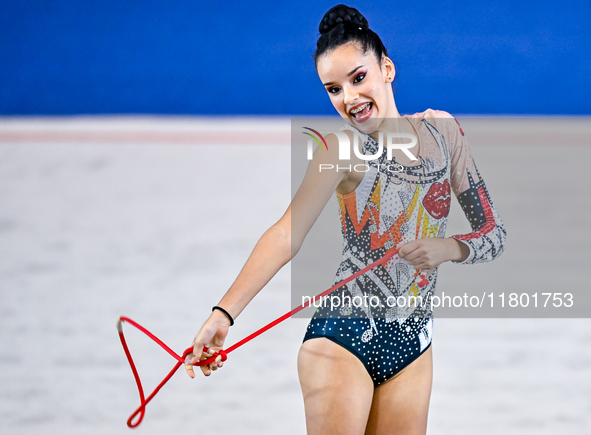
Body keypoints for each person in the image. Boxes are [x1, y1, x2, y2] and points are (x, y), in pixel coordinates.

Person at [184, 4, 507, 435]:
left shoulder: (444, 134)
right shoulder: (340, 151)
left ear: (386, 68)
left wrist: (448, 248)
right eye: (333, 89)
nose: (350, 99)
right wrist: (223, 314)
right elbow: (285, 235)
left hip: (412, 347)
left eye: (358, 78)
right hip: (341, 339)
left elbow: (494, 233)